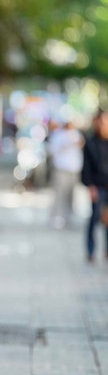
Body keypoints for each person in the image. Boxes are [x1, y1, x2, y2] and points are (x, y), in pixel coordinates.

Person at [82, 110, 108, 263]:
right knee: (95, 218)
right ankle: (91, 250)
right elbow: (86, 168)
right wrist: (90, 186)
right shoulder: (90, 142)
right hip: (97, 186)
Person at [47, 120, 84, 229]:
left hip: (73, 171)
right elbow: (52, 150)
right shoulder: (58, 135)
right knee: (59, 195)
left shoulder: (76, 134)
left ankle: (68, 217)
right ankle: (55, 217)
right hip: (61, 170)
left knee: (71, 196)